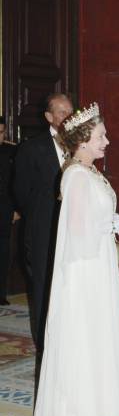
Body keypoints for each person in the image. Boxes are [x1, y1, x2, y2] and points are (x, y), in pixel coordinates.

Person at [33, 103, 119, 416]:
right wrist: (109, 226)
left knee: (99, 328)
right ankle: (79, 407)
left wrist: (109, 223)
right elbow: (77, 232)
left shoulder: (90, 171)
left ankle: (102, 400)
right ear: (84, 140)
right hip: (85, 267)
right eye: (101, 136)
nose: (107, 141)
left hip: (98, 262)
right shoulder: (76, 175)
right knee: (85, 328)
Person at [14, 94, 73, 352]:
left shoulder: (81, 144)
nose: (67, 117)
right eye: (61, 112)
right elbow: (21, 192)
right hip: (43, 230)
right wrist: (43, 214)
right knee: (42, 287)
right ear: (49, 117)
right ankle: (45, 345)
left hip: (75, 229)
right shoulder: (32, 147)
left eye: (71, 111)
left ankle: (67, 338)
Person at [0, 116, 19, 305]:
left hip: (4, 210)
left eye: (2, 132)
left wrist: (17, 209)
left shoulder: (11, 151)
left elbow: (17, 183)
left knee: (3, 253)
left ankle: (1, 294)